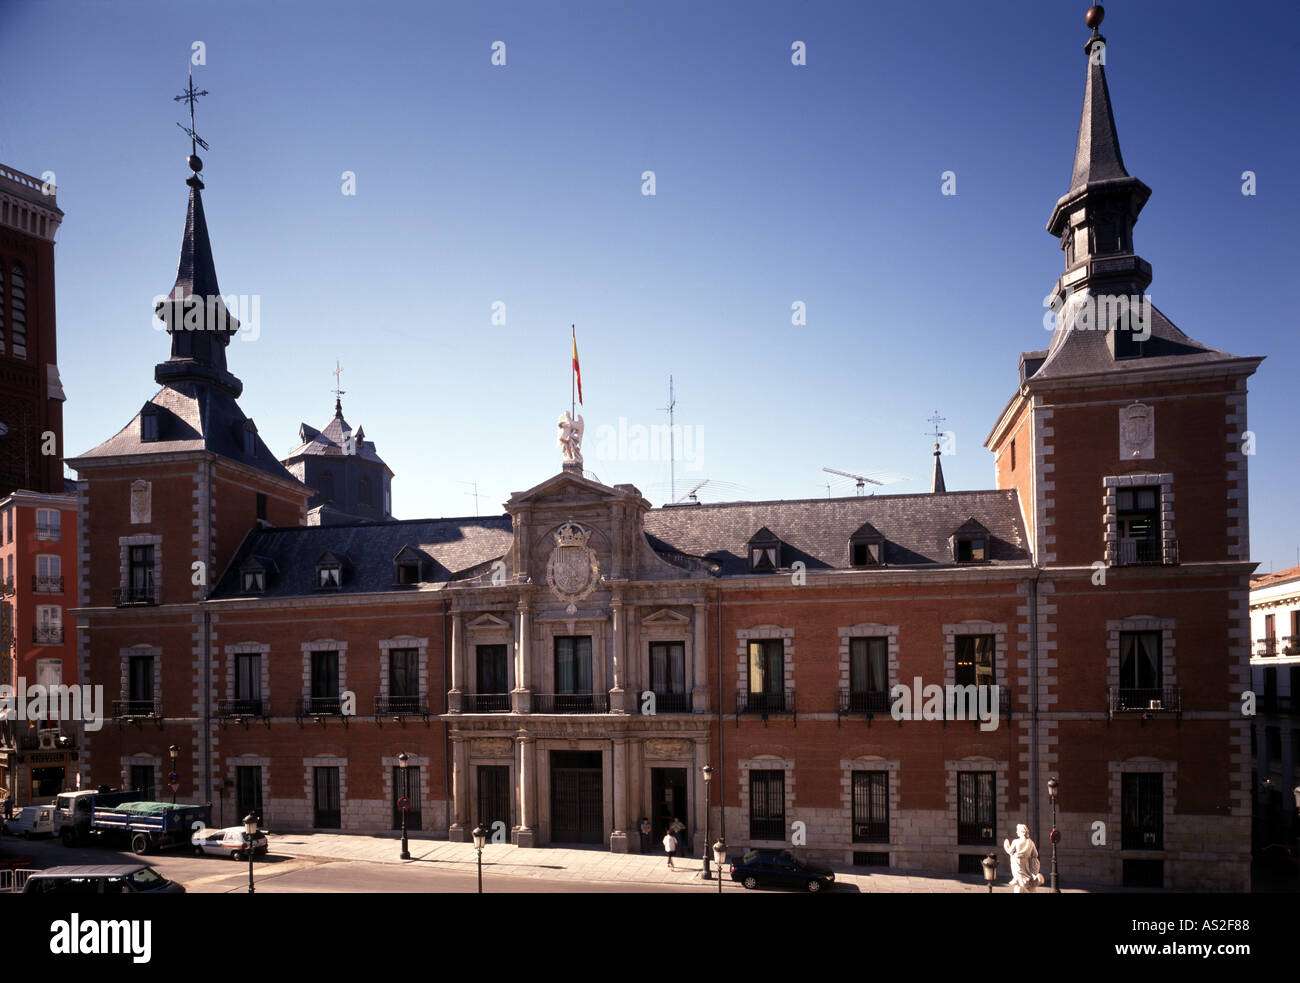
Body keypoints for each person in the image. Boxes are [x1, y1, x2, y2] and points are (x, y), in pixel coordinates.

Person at [1003, 824, 1044, 893]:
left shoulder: (1016, 841)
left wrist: (1006, 845)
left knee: (1020, 880)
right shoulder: (1031, 842)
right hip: (1026, 863)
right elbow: (1035, 854)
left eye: (1017, 831)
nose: (1016, 832)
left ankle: (1023, 891)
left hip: (1017, 863)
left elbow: (1010, 851)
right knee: (1026, 879)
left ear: (1022, 832)